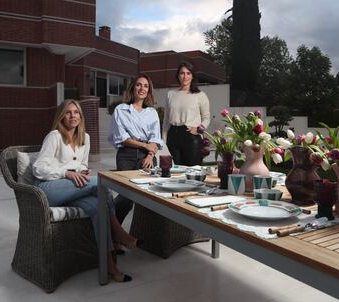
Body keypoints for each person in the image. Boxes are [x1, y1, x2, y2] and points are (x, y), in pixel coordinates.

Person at [32, 99, 137, 283]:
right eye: (68, 112)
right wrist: (67, 173)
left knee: (98, 205)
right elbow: (38, 168)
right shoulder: (54, 136)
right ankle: (118, 233)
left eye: (76, 112)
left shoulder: (85, 138)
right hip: (49, 189)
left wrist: (80, 171)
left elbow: (81, 164)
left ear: (81, 116)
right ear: (61, 116)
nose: (73, 116)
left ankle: (109, 265)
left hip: (73, 189)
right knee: (102, 182)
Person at [108, 74, 163, 251]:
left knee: (150, 193)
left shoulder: (152, 112)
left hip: (147, 156)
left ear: (149, 91)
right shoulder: (121, 110)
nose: (142, 88)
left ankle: (117, 235)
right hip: (126, 155)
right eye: (139, 85)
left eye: (146, 86)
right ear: (133, 88)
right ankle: (113, 234)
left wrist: (149, 153)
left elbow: (156, 138)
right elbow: (122, 138)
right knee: (126, 196)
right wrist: (145, 145)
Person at [162, 61, 210, 166]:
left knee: (192, 173)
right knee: (174, 173)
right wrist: (163, 140)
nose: (185, 76)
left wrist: (199, 129)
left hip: (191, 137)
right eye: (182, 73)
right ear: (178, 76)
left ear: (192, 76)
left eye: (188, 73)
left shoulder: (200, 95)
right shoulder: (170, 94)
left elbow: (206, 118)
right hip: (172, 137)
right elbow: (166, 120)